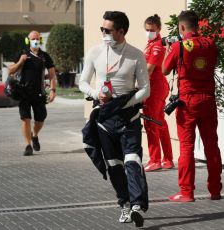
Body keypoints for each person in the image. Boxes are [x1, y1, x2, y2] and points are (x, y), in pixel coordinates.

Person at [79, 11, 150, 227]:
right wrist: (96, 95)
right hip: (104, 119)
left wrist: (122, 103)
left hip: (129, 118)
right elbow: (82, 82)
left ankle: (137, 205)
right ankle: (125, 204)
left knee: (132, 161)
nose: (103, 33)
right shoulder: (95, 52)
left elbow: (146, 89)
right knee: (114, 165)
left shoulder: (136, 54)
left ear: (121, 31)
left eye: (107, 30)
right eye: (102, 29)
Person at [162, 10, 222, 202]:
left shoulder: (179, 46)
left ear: (181, 27)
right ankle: (215, 190)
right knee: (212, 146)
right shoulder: (210, 43)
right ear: (198, 25)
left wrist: (169, 50)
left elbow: (164, 70)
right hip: (208, 99)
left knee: (187, 147)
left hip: (188, 101)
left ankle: (186, 192)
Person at [8, 30, 56, 156]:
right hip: (23, 92)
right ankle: (28, 145)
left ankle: (34, 135)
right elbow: (10, 71)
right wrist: (20, 62)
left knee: (41, 118)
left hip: (39, 93)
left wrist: (52, 90)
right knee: (26, 119)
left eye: (37, 38)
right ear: (28, 40)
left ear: (40, 40)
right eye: (33, 38)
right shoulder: (22, 54)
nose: (35, 41)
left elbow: (52, 75)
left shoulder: (45, 56)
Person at [143, 14, 174, 172]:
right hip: (156, 87)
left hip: (154, 89)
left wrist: (137, 87)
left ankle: (155, 160)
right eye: (147, 29)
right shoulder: (151, 43)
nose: (149, 32)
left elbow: (148, 69)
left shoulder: (156, 46)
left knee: (150, 124)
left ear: (159, 29)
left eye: (152, 30)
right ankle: (167, 159)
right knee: (160, 123)